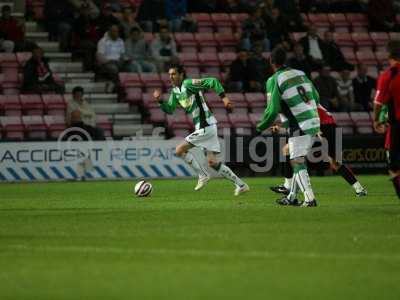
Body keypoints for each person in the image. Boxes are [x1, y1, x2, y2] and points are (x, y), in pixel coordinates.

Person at [152, 65, 249, 195]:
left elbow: (213, 81)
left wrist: (225, 99)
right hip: (205, 126)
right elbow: (170, 109)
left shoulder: (189, 84)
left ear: (181, 75)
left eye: (174, 74)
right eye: (169, 74)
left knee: (179, 150)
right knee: (212, 162)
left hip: (206, 125)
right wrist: (160, 101)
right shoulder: (175, 91)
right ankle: (241, 185)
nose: (171, 77)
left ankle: (202, 175)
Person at [256, 47, 320, 207]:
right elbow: (316, 97)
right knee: (295, 157)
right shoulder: (301, 73)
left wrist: (261, 126)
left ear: (271, 61)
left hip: (300, 123)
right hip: (314, 119)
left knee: (297, 161)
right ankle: (291, 197)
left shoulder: (274, 79)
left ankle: (310, 199)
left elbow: (272, 109)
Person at [270, 104, 367, 197]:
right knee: (335, 162)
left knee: (293, 153)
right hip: (329, 125)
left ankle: (289, 187)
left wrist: (280, 129)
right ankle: (359, 188)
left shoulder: (297, 103)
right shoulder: (306, 99)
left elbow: (298, 124)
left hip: (320, 126)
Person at [373, 40, 400, 199]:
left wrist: (376, 120)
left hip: (397, 126)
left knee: (394, 168)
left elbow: (378, 103)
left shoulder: (388, 75)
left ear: (389, 55)